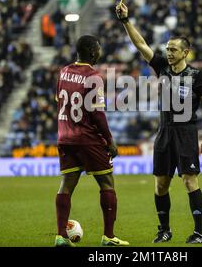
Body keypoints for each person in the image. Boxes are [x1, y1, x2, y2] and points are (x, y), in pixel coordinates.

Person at [116, 0, 202, 244]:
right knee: (160, 184)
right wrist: (126, 21)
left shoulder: (196, 76)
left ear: (185, 52)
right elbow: (141, 45)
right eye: (167, 48)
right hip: (164, 131)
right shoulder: (162, 68)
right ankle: (164, 230)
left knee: (190, 181)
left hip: (187, 132)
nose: (168, 52)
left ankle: (199, 233)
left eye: (173, 49)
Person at [54, 35, 129, 247]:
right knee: (107, 182)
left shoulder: (63, 72)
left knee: (66, 184)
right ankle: (108, 236)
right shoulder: (93, 77)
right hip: (86, 137)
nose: (100, 53)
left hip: (64, 136)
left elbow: (59, 103)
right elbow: (97, 114)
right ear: (93, 52)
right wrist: (110, 140)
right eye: (99, 49)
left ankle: (60, 236)